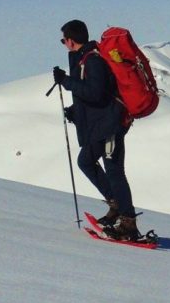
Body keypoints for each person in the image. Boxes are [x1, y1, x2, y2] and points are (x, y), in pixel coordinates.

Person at [53, 19, 140, 241]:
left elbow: (96, 94)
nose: (64, 44)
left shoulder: (93, 60)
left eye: (64, 40)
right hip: (99, 125)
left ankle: (128, 222)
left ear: (71, 40)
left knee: (114, 171)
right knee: (86, 161)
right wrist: (75, 112)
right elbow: (91, 97)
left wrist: (67, 81)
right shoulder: (84, 59)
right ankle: (117, 206)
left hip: (111, 124)